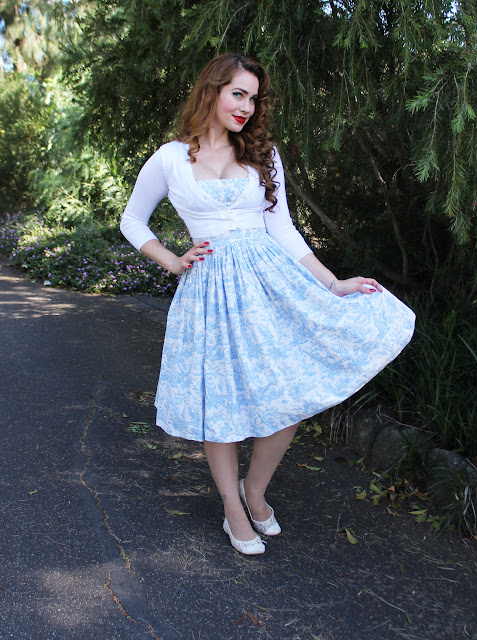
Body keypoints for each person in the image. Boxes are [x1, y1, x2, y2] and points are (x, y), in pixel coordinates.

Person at [120, 53, 415, 556]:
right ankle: (233, 510)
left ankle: (254, 491)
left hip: (268, 286)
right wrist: (172, 261)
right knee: (222, 404)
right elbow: (132, 219)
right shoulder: (170, 158)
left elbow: (283, 229)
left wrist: (332, 284)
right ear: (212, 91)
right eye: (238, 94)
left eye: (253, 98)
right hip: (210, 293)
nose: (247, 107)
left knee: (288, 393)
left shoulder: (263, 153)